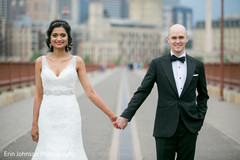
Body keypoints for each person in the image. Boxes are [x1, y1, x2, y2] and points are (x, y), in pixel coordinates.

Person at [115, 24, 209, 160]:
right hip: (164, 128)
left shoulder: (198, 65)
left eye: (181, 37)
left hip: (189, 128)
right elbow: (143, 91)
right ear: (168, 39)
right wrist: (125, 116)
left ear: (187, 38)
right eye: (174, 37)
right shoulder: (157, 64)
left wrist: (199, 120)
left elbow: (203, 95)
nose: (178, 41)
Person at [31, 19, 118, 160]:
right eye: (55, 35)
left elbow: (90, 92)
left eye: (63, 35)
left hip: (69, 116)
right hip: (47, 116)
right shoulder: (40, 62)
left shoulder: (77, 61)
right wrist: (34, 124)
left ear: (68, 38)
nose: (59, 38)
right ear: (49, 38)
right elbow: (38, 95)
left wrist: (111, 115)